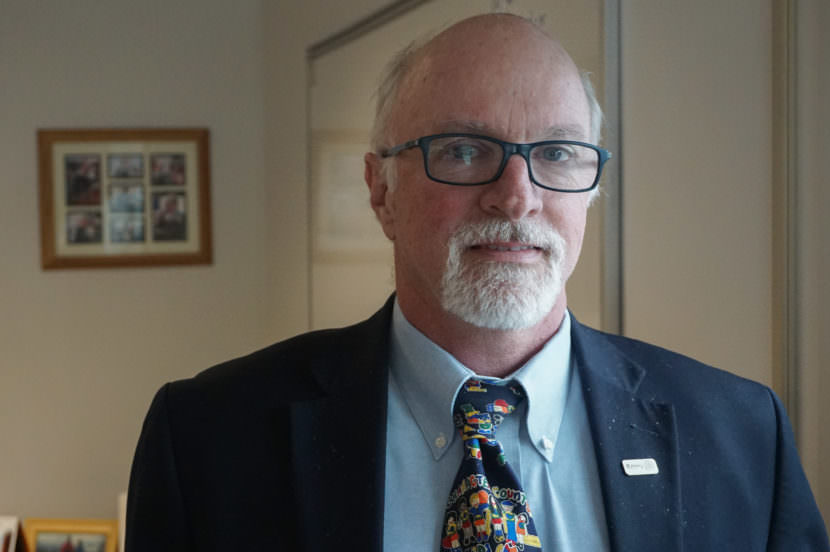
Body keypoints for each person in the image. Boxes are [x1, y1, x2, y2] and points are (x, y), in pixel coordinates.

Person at [125, 14, 828, 551]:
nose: (516, 196)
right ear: (380, 190)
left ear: (590, 189)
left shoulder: (740, 435)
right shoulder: (208, 441)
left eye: (555, 152)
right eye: (464, 150)